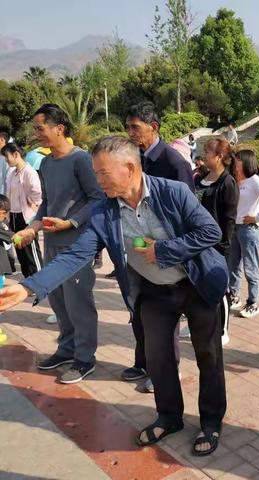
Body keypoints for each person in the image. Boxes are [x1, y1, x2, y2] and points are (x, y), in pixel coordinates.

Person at [0, 136, 228, 456]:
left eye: (103, 173)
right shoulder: (103, 211)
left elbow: (210, 232)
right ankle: (169, 416)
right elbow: (76, 254)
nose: (97, 180)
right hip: (154, 293)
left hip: (197, 285)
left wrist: (162, 250)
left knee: (209, 357)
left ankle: (212, 421)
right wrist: (29, 287)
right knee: (158, 360)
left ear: (130, 168)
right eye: (95, 173)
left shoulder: (173, 192)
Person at [14, 103, 104, 384]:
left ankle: (85, 358)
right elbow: (47, 204)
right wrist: (33, 227)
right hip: (51, 242)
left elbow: (97, 198)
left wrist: (72, 222)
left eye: (40, 128)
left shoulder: (81, 160)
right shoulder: (47, 163)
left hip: (76, 245)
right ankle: (66, 350)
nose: (37, 133)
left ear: (59, 128)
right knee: (59, 302)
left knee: (79, 304)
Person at [121, 101, 195, 393]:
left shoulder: (174, 163)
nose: (130, 133)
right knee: (138, 309)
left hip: (163, 254)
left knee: (165, 319)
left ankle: (166, 371)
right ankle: (143, 362)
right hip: (136, 249)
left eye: (135, 127)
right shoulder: (135, 159)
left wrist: (169, 250)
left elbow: (189, 215)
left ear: (154, 127)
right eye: (128, 127)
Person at [180, 138, 238, 345]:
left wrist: (222, 246)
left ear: (219, 156)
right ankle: (196, 323)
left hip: (217, 246)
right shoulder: (200, 178)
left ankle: (222, 330)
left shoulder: (227, 182)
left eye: (207, 151)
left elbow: (229, 219)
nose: (203, 155)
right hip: (196, 242)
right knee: (196, 285)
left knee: (220, 288)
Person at [228, 148, 259, 318]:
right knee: (233, 266)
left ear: (246, 162)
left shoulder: (255, 180)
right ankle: (234, 295)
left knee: (250, 268)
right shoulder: (236, 180)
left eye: (238, 160)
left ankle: (253, 302)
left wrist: (257, 218)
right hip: (234, 228)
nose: (235, 162)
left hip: (248, 230)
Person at [2, 142, 43, 277]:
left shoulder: (29, 172)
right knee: (19, 248)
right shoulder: (12, 173)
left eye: (7, 157)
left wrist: (32, 204)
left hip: (26, 216)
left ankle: (39, 278)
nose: (6, 160)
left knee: (30, 249)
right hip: (13, 215)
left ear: (16, 154)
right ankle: (28, 279)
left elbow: (37, 193)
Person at [0, 195, 14, 286]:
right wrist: (21, 237)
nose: (5, 216)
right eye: (3, 212)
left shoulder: (3, 222)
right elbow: (10, 237)